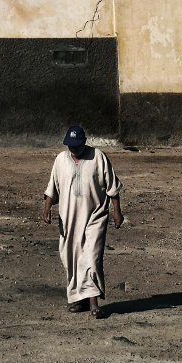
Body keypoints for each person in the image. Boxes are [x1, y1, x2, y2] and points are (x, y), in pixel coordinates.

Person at [42, 125, 124, 319]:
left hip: (95, 216)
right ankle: (79, 300)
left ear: (84, 142)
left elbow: (112, 186)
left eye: (77, 146)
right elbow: (52, 187)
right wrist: (47, 208)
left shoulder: (98, 157)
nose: (74, 150)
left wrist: (117, 212)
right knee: (72, 258)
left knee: (92, 258)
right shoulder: (61, 160)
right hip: (69, 218)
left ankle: (94, 301)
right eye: (71, 146)